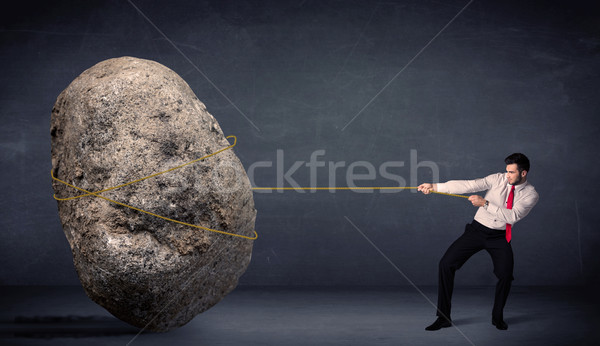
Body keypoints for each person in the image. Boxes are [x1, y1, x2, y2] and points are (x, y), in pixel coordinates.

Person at [417, 153, 539, 331]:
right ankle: (443, 317)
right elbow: (468, 185)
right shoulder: (497, 179)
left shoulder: (531, 195)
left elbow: (512, 216)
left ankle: (497, 318)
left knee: (505, 276)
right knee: (445, 264)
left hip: (499, 237)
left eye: (511, 172)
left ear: (523, 173)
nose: (507, 176)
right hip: (477, 230)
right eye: (506, 171)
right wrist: (434, 186)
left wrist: (486, 204)